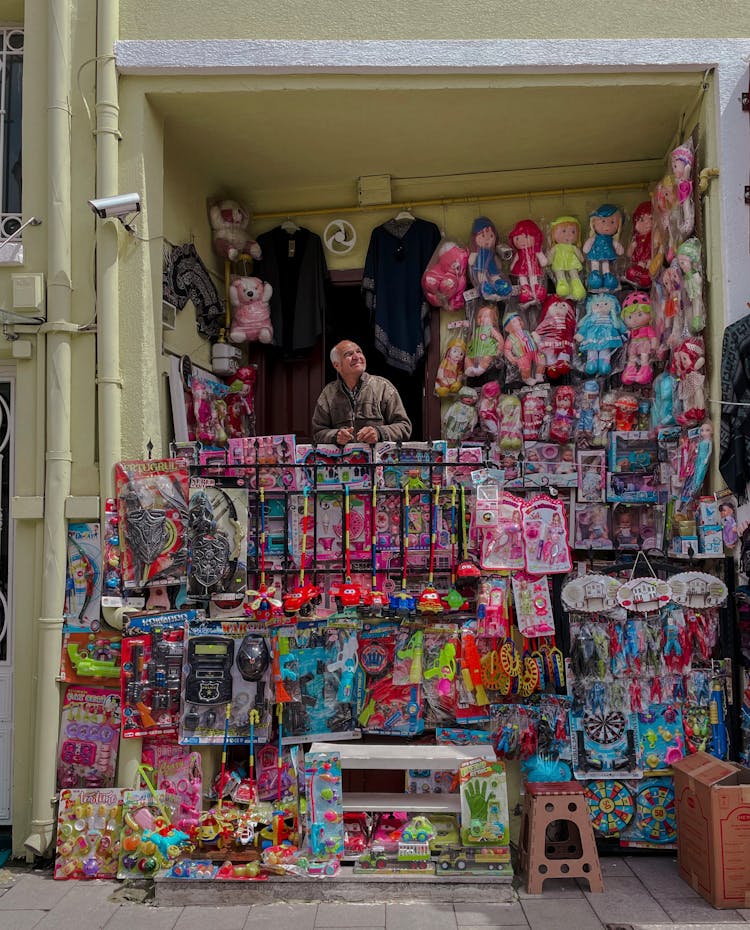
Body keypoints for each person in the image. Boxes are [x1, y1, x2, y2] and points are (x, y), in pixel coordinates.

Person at [312, 340, 412, 445]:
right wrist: (335, 436)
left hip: (378, 459)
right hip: (343, 459)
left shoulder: (382, 387)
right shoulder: (328, 394)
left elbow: (404, 427)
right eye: (348, 354)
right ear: (337, 365)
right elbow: (318, 432)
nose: (356, 357)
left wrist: (379, 433)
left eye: (359, 352)